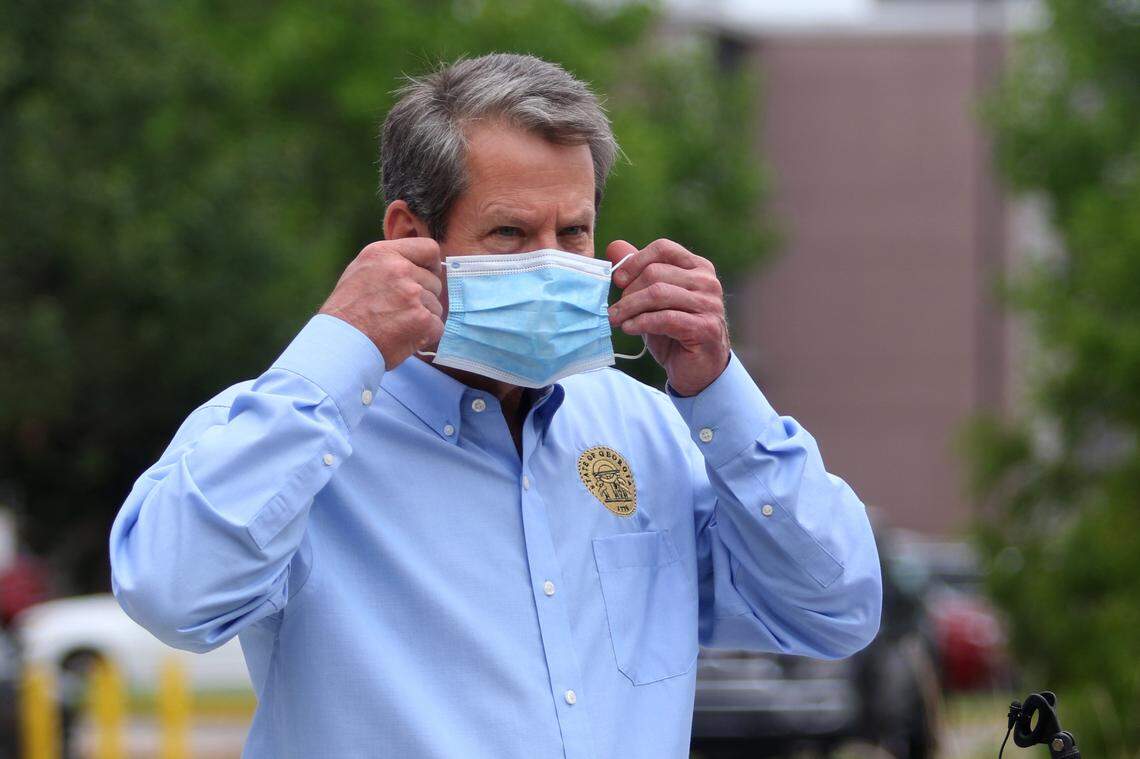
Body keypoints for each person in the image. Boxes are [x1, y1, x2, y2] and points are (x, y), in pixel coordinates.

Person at [109, 53, 882, 758]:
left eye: (573, 231)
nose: (550, 261)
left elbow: (835, 606)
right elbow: (173, 594)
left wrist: (718, 392)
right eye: (510, 233)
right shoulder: (299, 426)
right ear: (411, 235)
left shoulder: (646, 426)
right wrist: (339, 348)